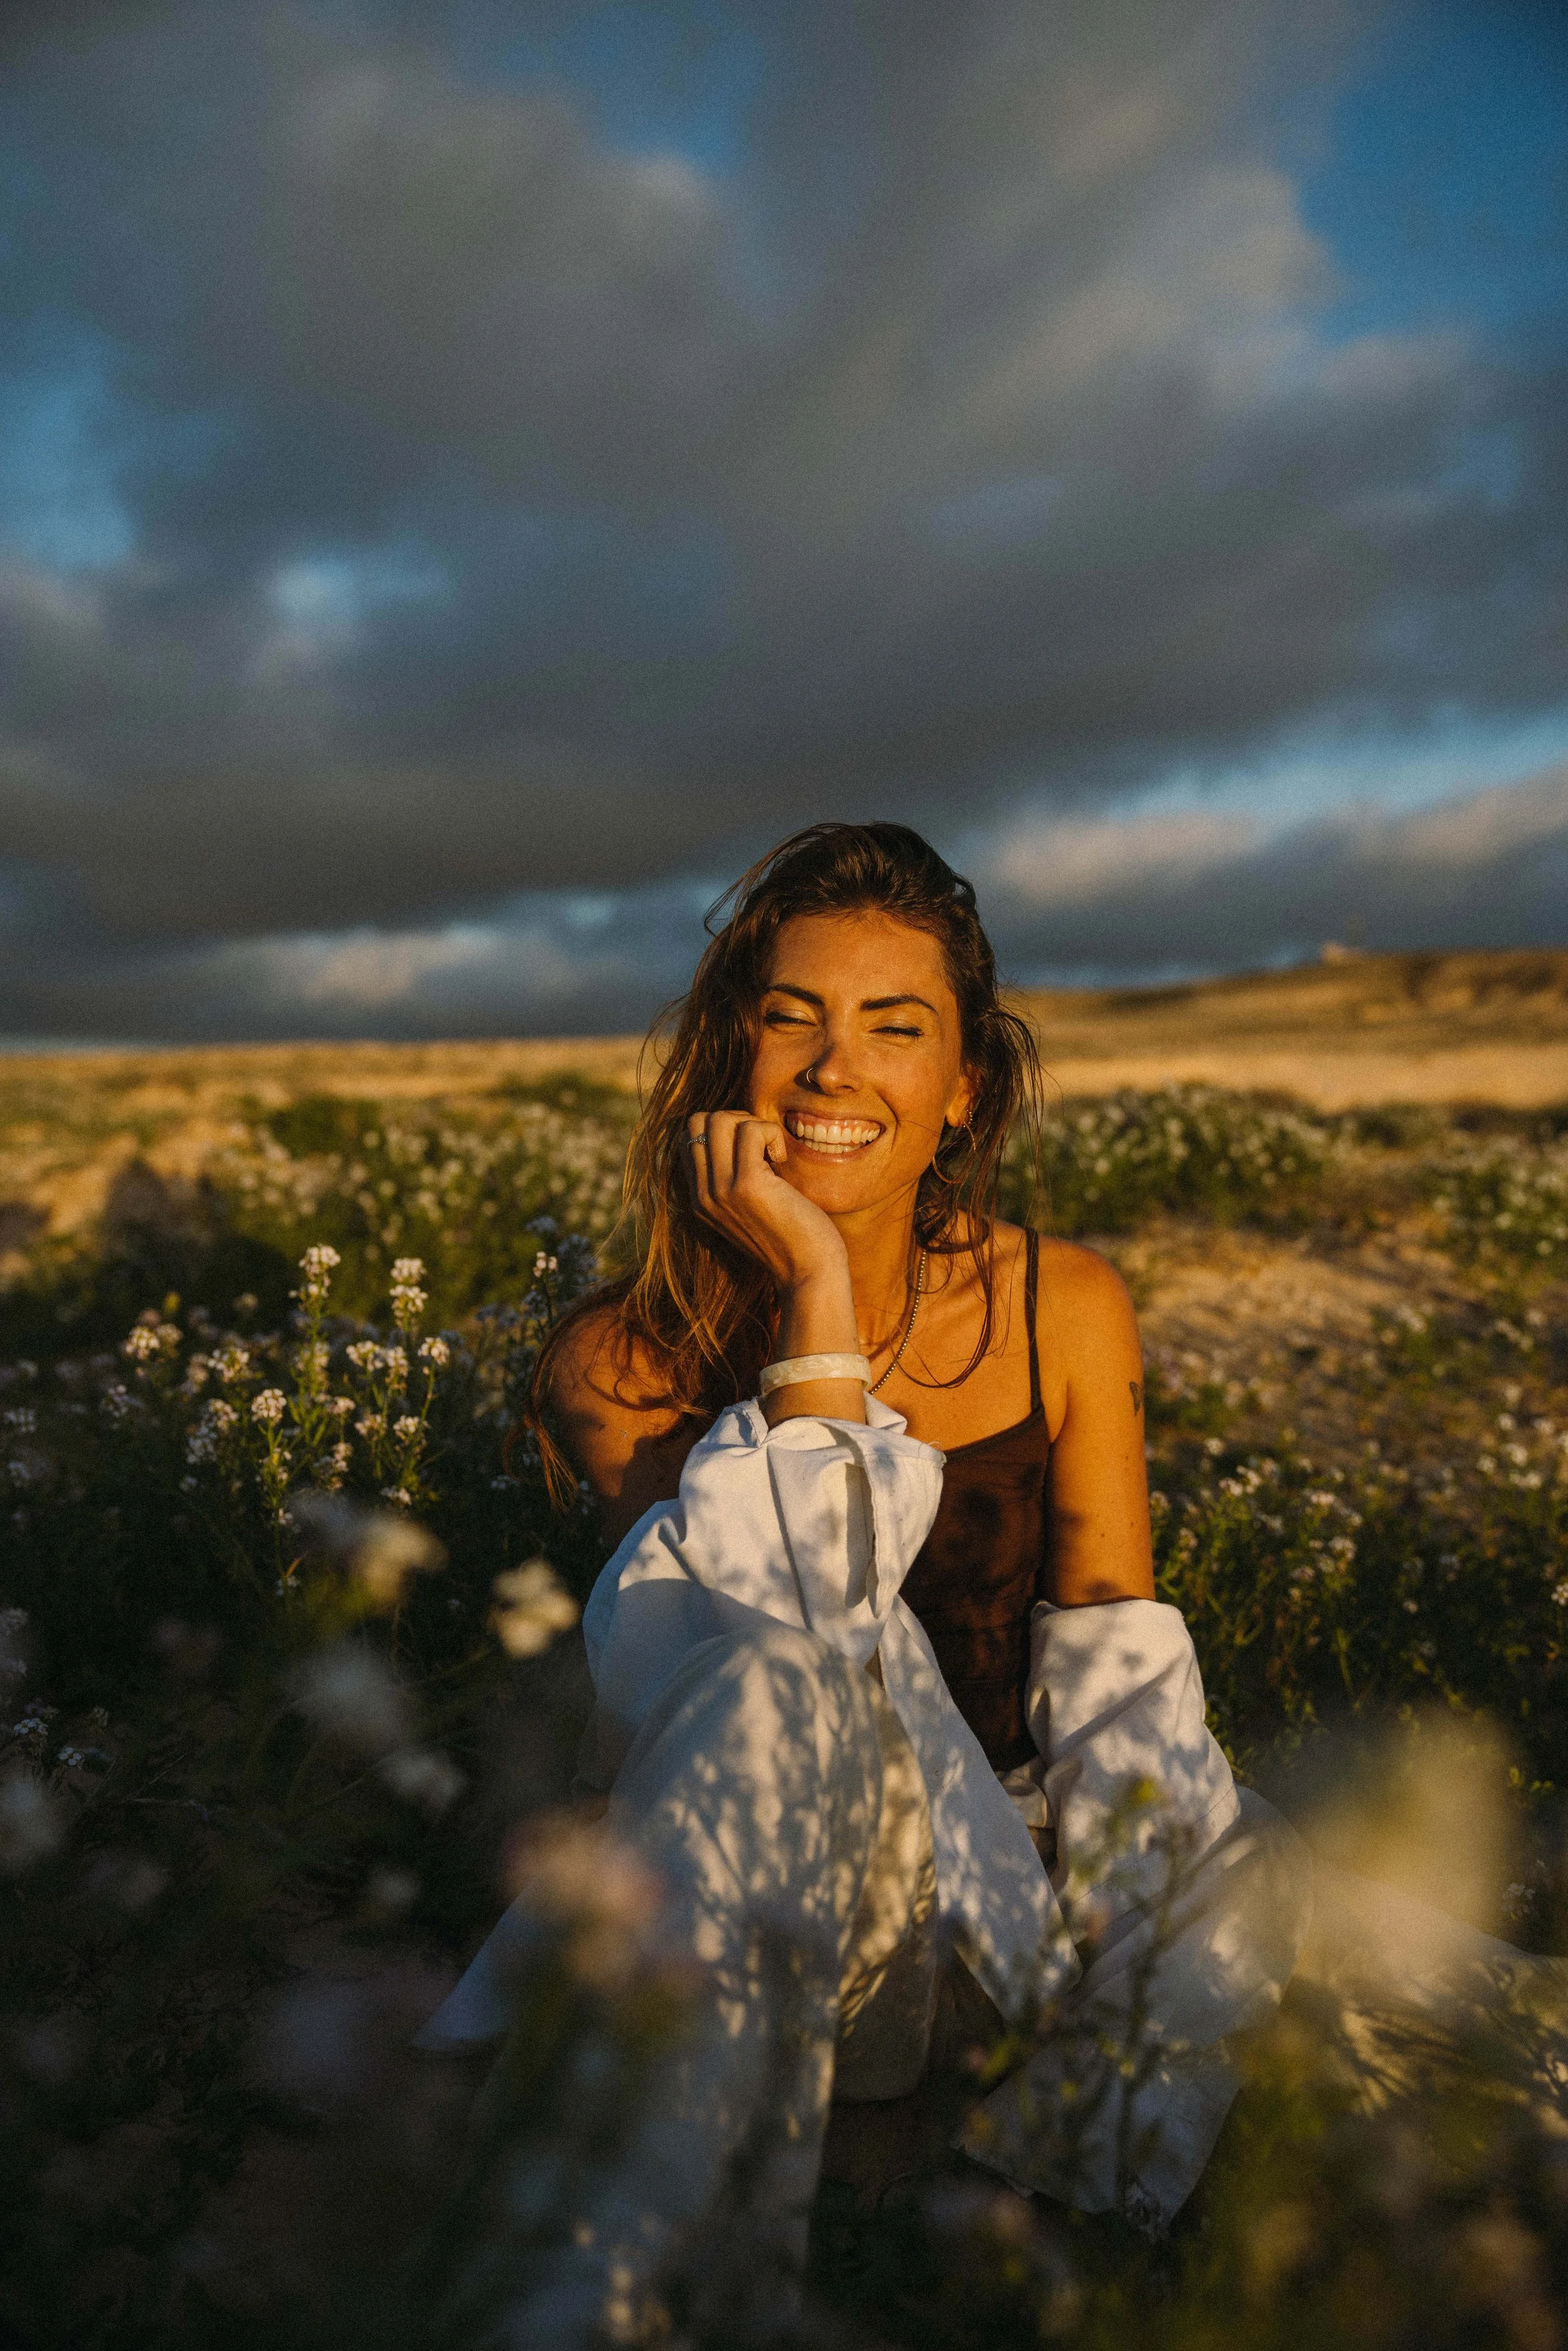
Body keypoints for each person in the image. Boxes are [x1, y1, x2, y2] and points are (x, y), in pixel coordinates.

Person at [418, 824, 1552, 2347]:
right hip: (777, 1873)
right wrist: (812, 1292)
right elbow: (796, 1643)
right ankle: (603, 2295)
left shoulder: (1056, 1303)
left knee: (1436, 2030)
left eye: (895, 1028)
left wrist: (1139, 1970)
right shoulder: (614, 1361)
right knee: (771, 1684)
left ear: (960, 1088)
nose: (834, 1071)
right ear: (723, 1056)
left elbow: (1124, 1680)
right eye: (790, 1018)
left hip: (1030, 1869)